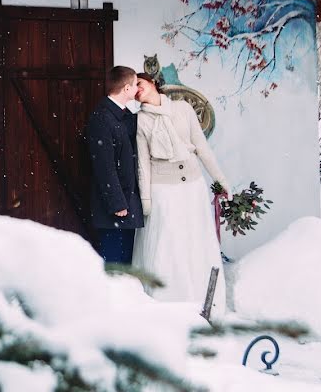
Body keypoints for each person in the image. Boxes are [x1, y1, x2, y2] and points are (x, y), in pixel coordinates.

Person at [131, 72, 229, 316]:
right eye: (133, 89)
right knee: (168, 244)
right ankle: (168, 304)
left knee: (194, 241)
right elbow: (143, 164)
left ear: (152, 82)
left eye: (139, 84)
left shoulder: (183, 109)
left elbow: (202, 148)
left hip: (192, 186)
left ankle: (201, 301)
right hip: (162, 189)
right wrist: (146, 200)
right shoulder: (140, 120)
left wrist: (221, 180)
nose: (137, 90)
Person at [86, 66, 144, 264]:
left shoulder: (122, 116)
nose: (137, 89)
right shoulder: (102, 118)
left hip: (126, 205)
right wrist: (117, 202)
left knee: (125, 263)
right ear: (127, 88)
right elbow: (104, 166)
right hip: (115, 208)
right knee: (114, 264)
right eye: (136, 84)